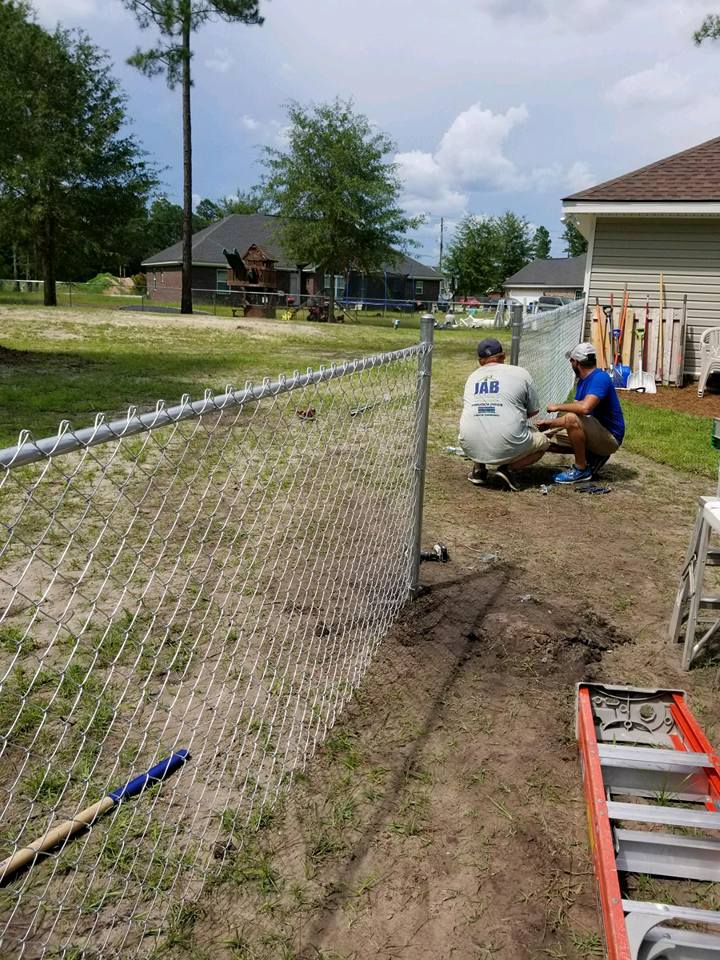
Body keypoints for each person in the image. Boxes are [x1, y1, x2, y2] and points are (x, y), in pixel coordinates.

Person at [458, 337, 550, 491]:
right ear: (503, 356)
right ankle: (509, 469)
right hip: (507, 442)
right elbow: (533, 412)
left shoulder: (472, 377)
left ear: (480, 361)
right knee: (544, 442)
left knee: (480, 419)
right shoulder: (521, 373)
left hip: (469, 444)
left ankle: (479, 470)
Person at [536, 342, 625, 484]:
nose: (570, 364)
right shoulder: (583, 381)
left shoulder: (600, 378)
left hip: (610, 438)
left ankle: (581, 469)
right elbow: (578, 414)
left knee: (570, 418)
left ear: (576, 362)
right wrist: (550, 425)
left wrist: (557, 407)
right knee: (546, 441)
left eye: (571, 361)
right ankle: (592, 457)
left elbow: (584, 409)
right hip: (596, 432)